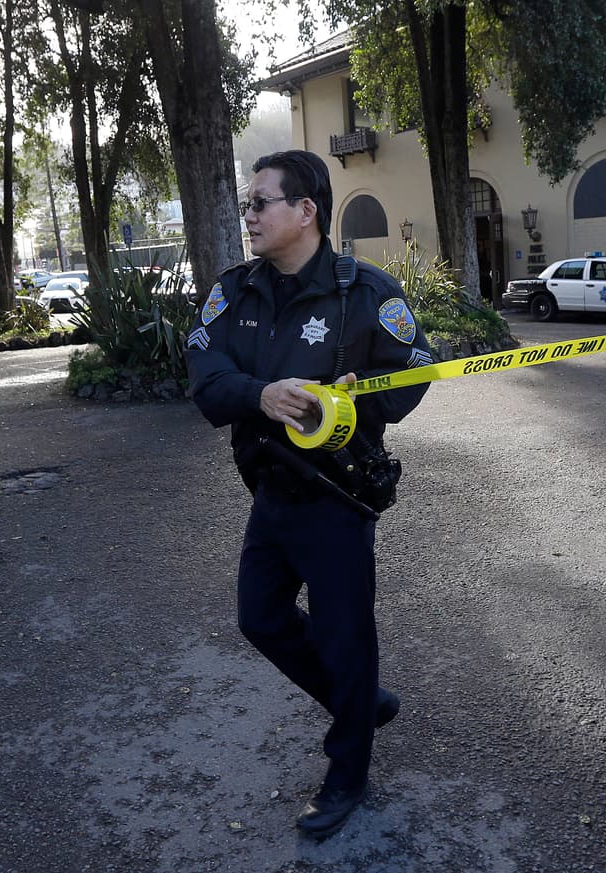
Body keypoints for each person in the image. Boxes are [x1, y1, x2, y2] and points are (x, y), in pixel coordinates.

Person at [186, 150, 434, 839]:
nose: (249, 215)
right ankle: (360, 705)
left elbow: (416, 368)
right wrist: (260, 395)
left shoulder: (364, 292)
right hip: (269, 485)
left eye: (261, 202)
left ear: (305, 211)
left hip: (337, 493)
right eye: (248, 204)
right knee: (260, 617)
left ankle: (347, 772)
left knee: (344, 635)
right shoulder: (235, 291)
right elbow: (205, 374)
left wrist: (351, 405)